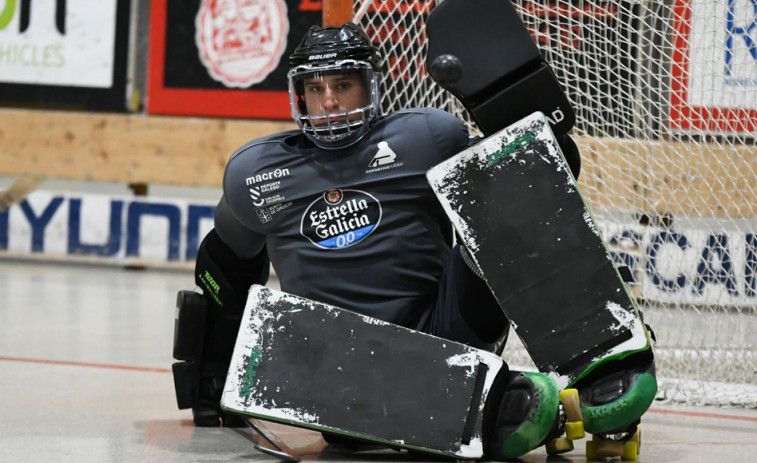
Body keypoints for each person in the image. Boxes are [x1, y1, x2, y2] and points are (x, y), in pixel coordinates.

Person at [174, 22, 566, 459]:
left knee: (505, 212)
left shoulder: (429, 139)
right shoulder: (257, 175)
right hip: (342, 369)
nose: (329, 101)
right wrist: (210, 377)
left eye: (343, 84)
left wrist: (540, 150)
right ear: (298, 95)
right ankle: (477, 406)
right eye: (314, 87)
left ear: (371, 86)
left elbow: (523, 193)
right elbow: (221, 266)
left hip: (447, 331)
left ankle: (603, 361)